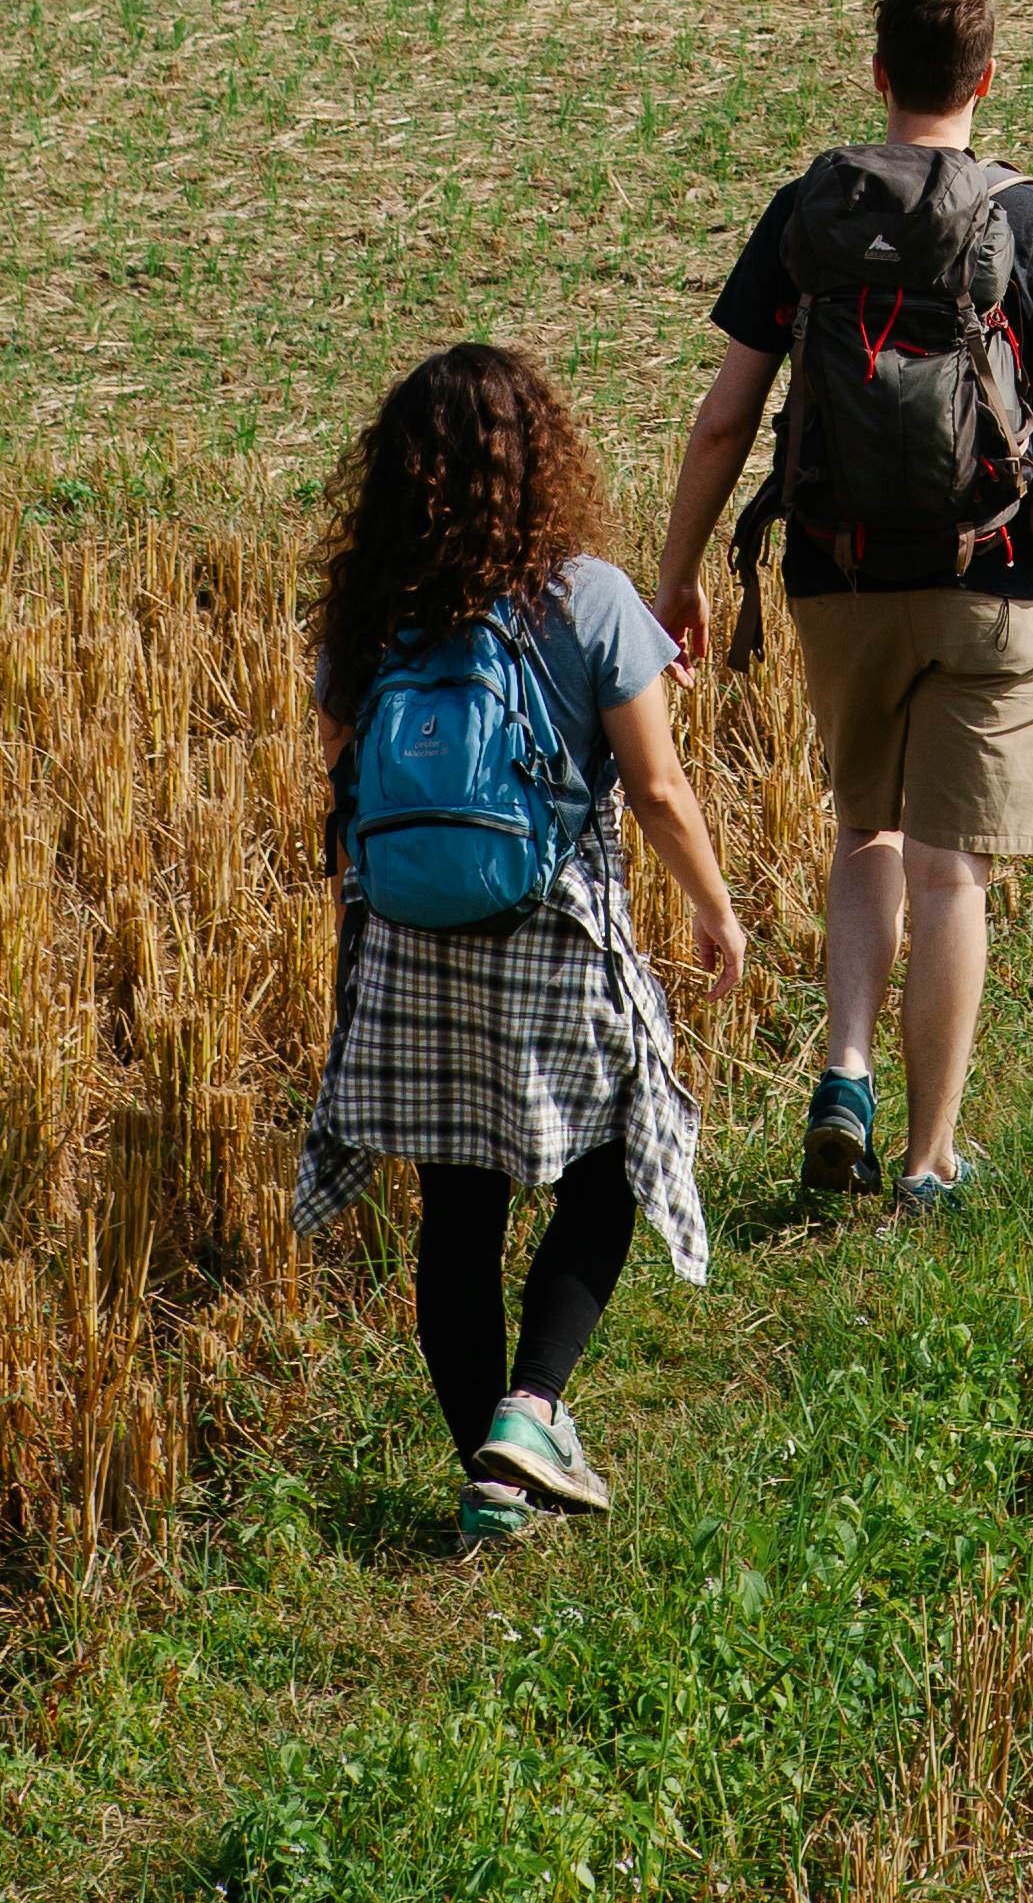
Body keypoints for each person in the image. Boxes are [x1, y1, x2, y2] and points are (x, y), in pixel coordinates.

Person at [655, 0, 1033, 1216]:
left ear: (878, 75)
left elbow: (725, 423)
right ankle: (929, 1162)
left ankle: (845, 1069)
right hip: (992, 581)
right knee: (951, 872)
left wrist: (673, 577)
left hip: (835, 574)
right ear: (986, 80)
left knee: (863, 831)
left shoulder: (805, 215)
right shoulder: (1030, 227)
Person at [298, 339, 747, 1552]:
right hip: (547, 932)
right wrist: (714, 907)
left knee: (458, 1206)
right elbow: (655, 788)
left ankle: (485, 1480)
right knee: (616, 1160)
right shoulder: (588, 595)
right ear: (540, 460)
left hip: (408, 943)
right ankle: (534, 1408)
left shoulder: (368, 608)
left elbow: (340, 774)